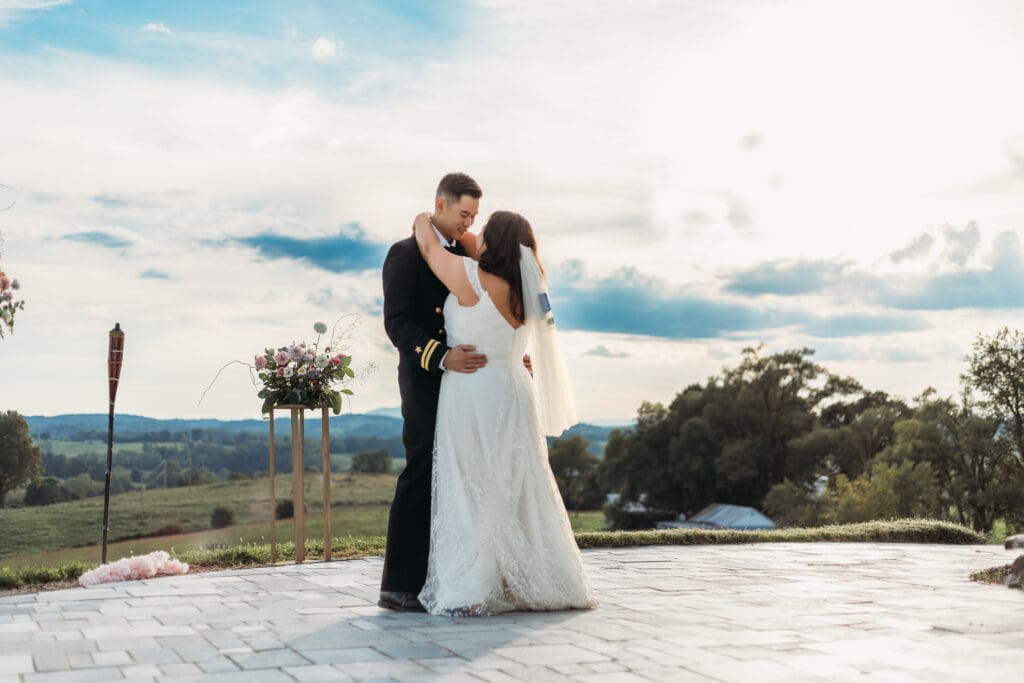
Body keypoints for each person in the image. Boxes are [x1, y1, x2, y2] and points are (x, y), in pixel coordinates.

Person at [411, 208, 596, 615]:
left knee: (469, 483)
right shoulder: (528, 286)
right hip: (515, 387)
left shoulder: (472, 278)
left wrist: (429, 215)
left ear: (493, 242)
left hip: (473, 390)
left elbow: (427, 245)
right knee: (518, 484)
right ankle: (530, 578)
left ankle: (472, 583)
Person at [378, 173, 488, 612]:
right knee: (422, 468)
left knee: (461, 472)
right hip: (427, 378)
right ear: (439, 205)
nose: (468, 223)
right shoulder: (404, 254)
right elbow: (398, 322)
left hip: (470, 381)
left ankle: (449, 577)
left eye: (475, 216)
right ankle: (399, 586)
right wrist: (442, 356)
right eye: (464, 214)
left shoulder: (468, 255)